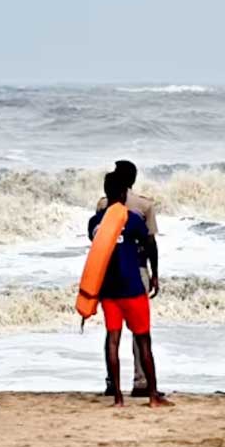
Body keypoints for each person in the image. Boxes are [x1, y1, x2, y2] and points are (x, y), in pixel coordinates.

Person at [88, 172, 171, 408]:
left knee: (112, 339)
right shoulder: (133, 219)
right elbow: (148, 244)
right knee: (143, 340)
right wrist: (153, 273)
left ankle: (117, 398)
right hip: (132, 287)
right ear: (125, 193)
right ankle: (153, 396)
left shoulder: (95, 223)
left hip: (108, 290)